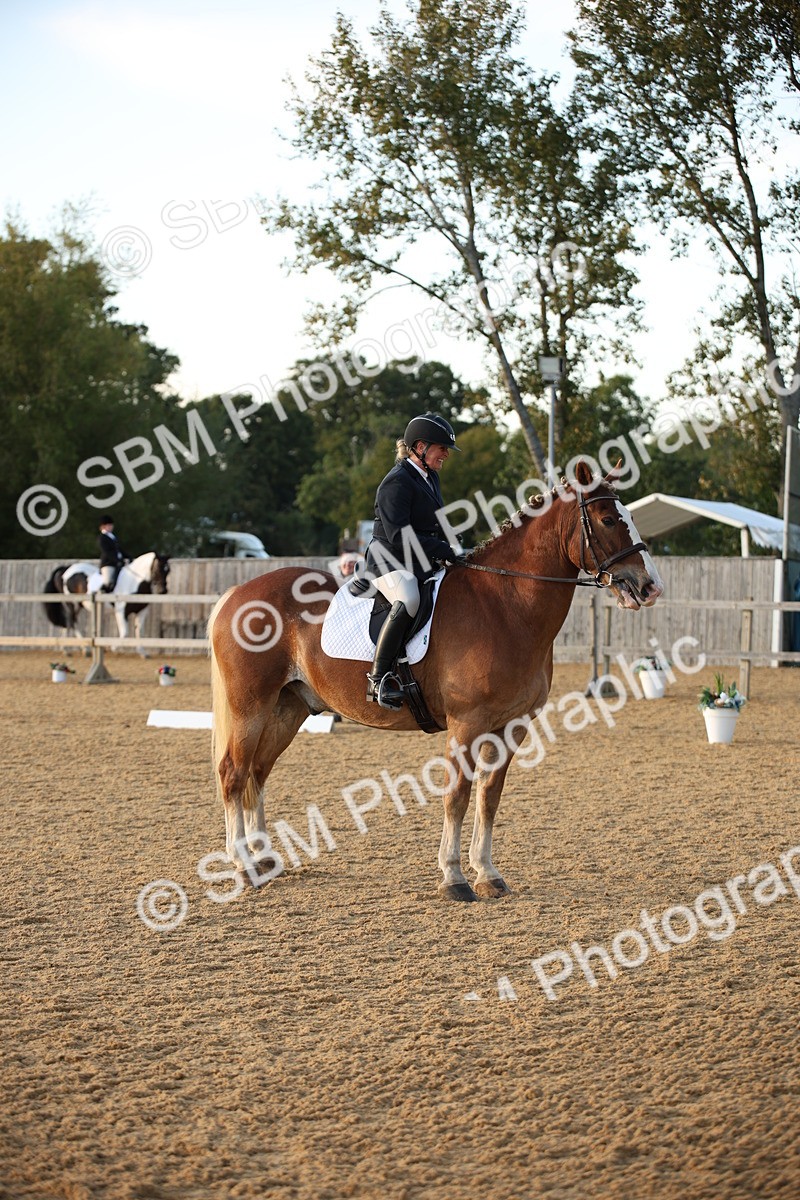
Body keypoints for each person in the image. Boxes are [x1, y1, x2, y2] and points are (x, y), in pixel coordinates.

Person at [364, 412, 465, 709]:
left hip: (420, 559)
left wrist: (458, 548)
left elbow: (439, 522)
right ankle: (379, 678)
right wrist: (442, 550)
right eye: (441, 448)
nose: (446, 454)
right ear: (420, 447)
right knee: (408, 597)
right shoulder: (396, 483)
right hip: (389, 560)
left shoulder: (429, 477)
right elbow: (399, 537)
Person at [98, 516, 127, 592]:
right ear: (103, 526)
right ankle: (101, 595)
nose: (111, 527)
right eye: (109, 525)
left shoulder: (112, 537)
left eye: (111, 525)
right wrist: (117, 560)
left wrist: (128, 556)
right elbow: (107, 552)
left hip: (117, 563)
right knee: (107, 582)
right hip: (108, 564)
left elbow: (119, 549)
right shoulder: (102, 538)